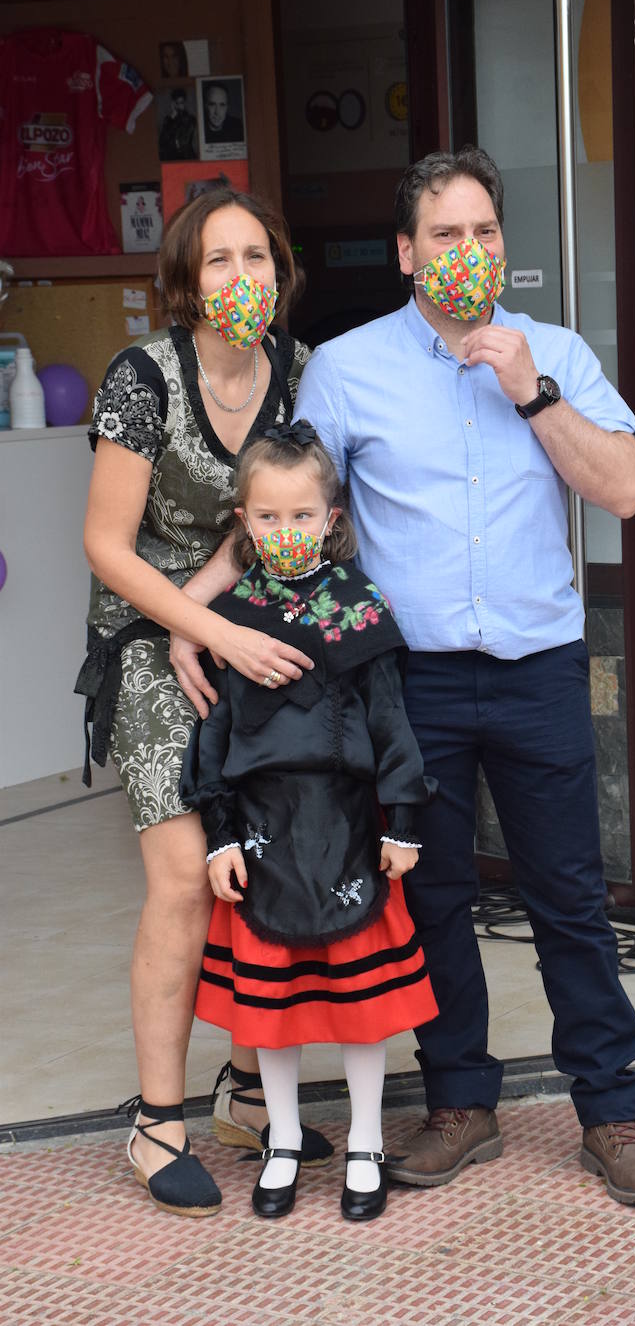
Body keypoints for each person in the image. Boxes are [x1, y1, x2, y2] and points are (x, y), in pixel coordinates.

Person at [290, 145, 635, 1207]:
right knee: (434, 899)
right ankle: (459, 1102)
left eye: (486, 232)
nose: (470, 252)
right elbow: (288, 515)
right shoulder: (344, 367)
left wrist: (532, 391)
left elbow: (626, 489)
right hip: (409, 682)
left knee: (568, 898)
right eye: (448, 235)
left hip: (535, 668)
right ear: (408, 252)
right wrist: (202, 620)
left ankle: (612, 1111)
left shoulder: (552, 352)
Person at [76, 188, 333, 1218]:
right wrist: (191, 624)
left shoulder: (300, 372)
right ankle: (154, 1121)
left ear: (280, 273)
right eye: (219, 262)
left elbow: (266, 511)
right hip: (146, 641)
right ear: (187, 281)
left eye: (257, 259)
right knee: (185, 877)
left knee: (263, 865)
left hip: (242, 621)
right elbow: (102, 541)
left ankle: (242, 1092)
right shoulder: (142, 378)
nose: (241, 279)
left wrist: (215, 611)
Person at [180, 424, 438, 1221]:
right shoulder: (230, 617)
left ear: (331, 516)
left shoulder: (362, 610)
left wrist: (402, 821)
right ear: (243, 521)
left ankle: (364, 1140)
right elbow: (213, 736)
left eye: (301, 516)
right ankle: (282, 1140)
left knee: (361, 1005)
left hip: (349, 830)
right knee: (274, 1007)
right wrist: (219, 833)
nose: (285, 532)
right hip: (262, 837)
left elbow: (392, 721)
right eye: (267, 518)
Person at [158, 88, 197, 162]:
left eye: (181, 103)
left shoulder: (190, 119)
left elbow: (184, 141)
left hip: (186, 157)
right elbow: (162, 141)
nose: (179, 106)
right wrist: (172, 119)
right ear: (173, 104)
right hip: (171, 158)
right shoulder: (168, 120)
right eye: (176, 103)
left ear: (184, 103)